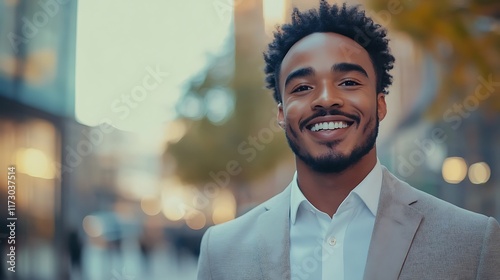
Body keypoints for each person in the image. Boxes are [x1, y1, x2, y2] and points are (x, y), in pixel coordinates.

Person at [197, 1, 500, 279]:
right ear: (281, 114)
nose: (326, 99)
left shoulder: (471, 243)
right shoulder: (222, 251)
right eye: (302, 87)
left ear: (381, 104)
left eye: (349, 82)